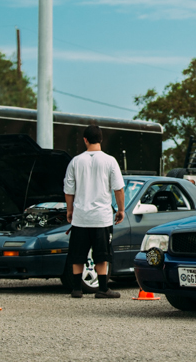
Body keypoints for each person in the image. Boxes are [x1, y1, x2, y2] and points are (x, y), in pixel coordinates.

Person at [64, 125, 125, 299]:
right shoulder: (110, 161)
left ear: (85, 140)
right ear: (101, 139)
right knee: (101, 255)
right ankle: (103, 289)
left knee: (78, 255)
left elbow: (68, 190)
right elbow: (118, 189)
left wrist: (70, 210)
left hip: (81, 217)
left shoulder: (75, 161)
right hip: (101, 218)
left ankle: (76, 289)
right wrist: (120, 209)